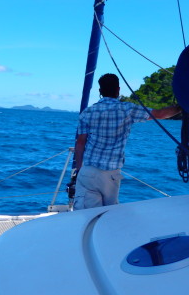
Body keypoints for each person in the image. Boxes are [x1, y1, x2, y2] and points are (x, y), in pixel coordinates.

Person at [73, 73, 181, 210]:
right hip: (111, 175)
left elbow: (80, 144)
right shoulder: (128, 109)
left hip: (88, 171)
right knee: (108, 215)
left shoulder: (87, 113)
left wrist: (78, 170)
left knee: (87, 215)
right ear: (118, 90)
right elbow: (159, 114)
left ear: (100, 91)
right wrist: (182, 106)